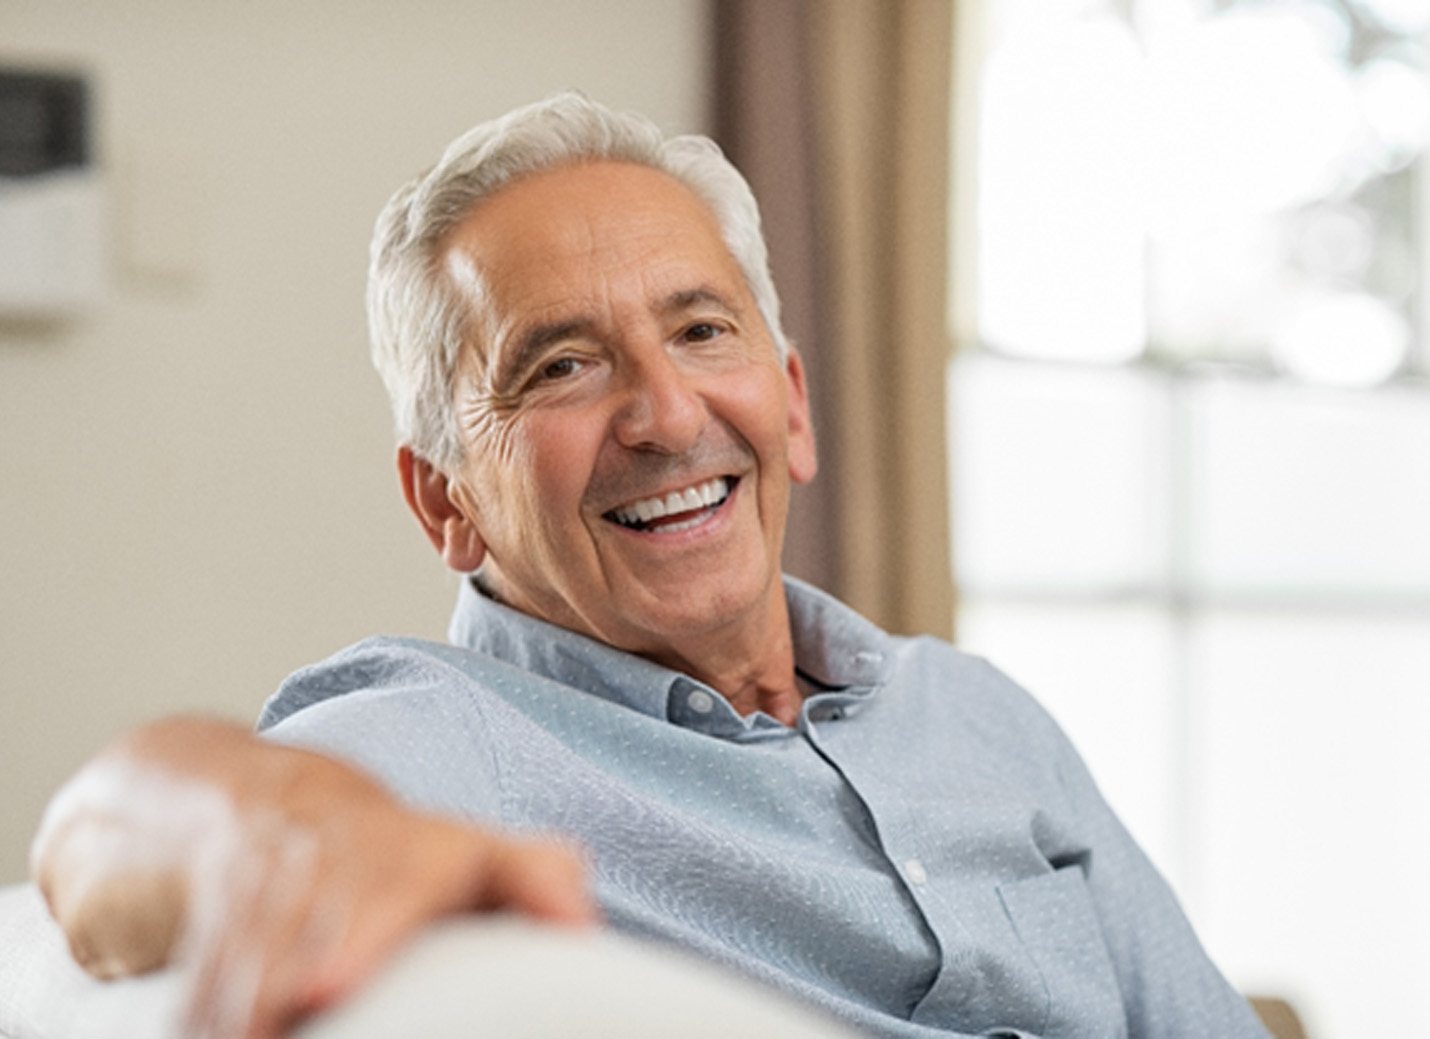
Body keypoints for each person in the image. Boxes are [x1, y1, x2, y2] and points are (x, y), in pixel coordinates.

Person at [31, 94, 1270, 1039]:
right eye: (560, 365)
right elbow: (96, 838)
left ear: (789, 404)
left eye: (699, 329)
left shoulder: (981, 716)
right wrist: (290, 829)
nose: (667, 416)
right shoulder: (451, 743)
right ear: (446, 501)